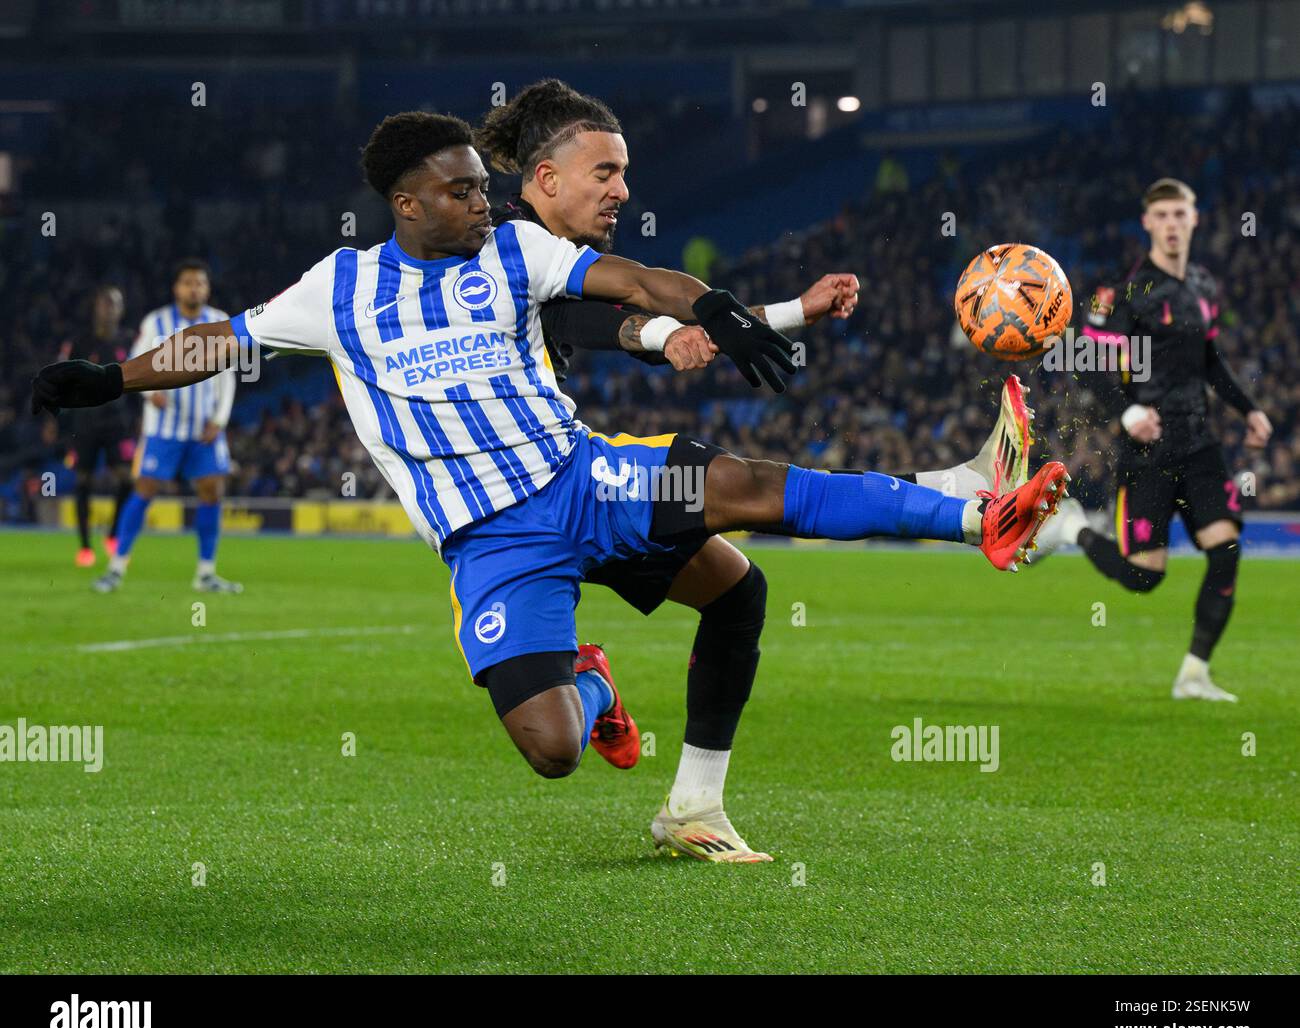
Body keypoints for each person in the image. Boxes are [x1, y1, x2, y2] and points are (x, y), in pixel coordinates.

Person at [33, 111, 1067, 859]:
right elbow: (226, 339)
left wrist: (723, 306)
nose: (483, 199)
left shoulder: (517, 249)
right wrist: (112, 379)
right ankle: (599, 683)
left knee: (743, 488)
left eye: (484, 186)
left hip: (584, 478)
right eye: (460, 189)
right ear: (405, 202)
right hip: (493, 542)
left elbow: (633, 283)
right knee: (553, 749)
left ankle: (976, 510)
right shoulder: (336, 288)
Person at [474, 79, 1039, 861]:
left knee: (738, 588)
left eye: (624, 172)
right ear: (545, 179)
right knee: (554, 743)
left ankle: (694, 806)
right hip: (515, 514)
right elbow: (596, 313)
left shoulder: (554, 254)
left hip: (585, 493)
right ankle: (966, 501)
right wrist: (669, 331)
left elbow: (604, 312)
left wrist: (769, 317)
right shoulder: (497, 245)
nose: (622, 190)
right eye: (604, 173)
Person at [1035, 178, 1272, 702]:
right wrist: (1127, 413)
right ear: (1147, 223)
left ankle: (1194, 674)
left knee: (1226, 549)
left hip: (1200, 444)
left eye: (1179, 214)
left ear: (1194, 219)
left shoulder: (1204, 287)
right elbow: (1088, 362)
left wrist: (1249, 409)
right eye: (1161, 215)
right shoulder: (1121, 292)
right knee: (1145, 578)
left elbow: (1210, 359)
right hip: (1147, 452)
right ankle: (1073, 527)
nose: (1171, 224)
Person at [92, 259, 243, 594]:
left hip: (204, 428)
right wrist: (149, 393)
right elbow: (133, 368)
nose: (194, 288)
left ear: (207, 288)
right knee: (144, 490)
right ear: (177, 288)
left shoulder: (219, 322)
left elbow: (228, 376)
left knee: (212, 491)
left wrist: (219, 420)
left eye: (200, 283)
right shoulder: (156, 322)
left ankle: (205, 573)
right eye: (188, 282)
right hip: (163, 430)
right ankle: (116, 569)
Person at [57, 284, 136, 566]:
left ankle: (113, 534)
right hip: (85, 422)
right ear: (95, 308)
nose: (108, 308)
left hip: (118, 423)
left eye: (114, 303)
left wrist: (138, 418)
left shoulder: (130, 340)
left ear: (121, 309)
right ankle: (85, 547)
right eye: (104, 303)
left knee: (127, 479)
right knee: (83, 481)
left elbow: (140, 381)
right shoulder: (80, 343)